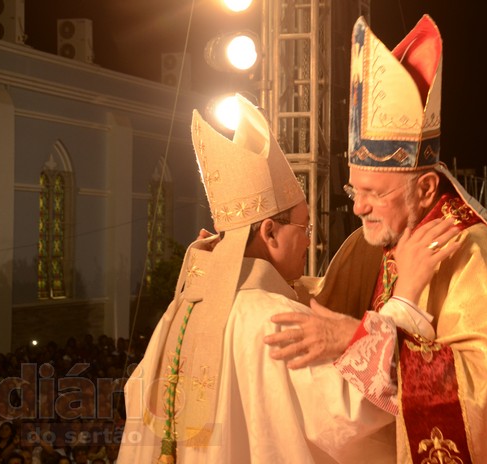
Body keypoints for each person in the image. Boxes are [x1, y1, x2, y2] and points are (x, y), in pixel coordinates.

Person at [266, 15, 487, 464]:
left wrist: (360, 341)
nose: (359, 207)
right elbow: (331, 298)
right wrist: (253, 269)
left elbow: (479, 389)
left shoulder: (471, 253)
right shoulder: (387, 235)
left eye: (374, 193)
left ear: (424, 189)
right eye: (354, 190)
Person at [117, 95, 457, 463]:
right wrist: (404, 298)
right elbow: (354, 409)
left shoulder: (181, 312)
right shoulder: (276, 320)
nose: (309, 241)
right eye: (304, 227)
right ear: (269, 232)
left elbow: (137, 395)